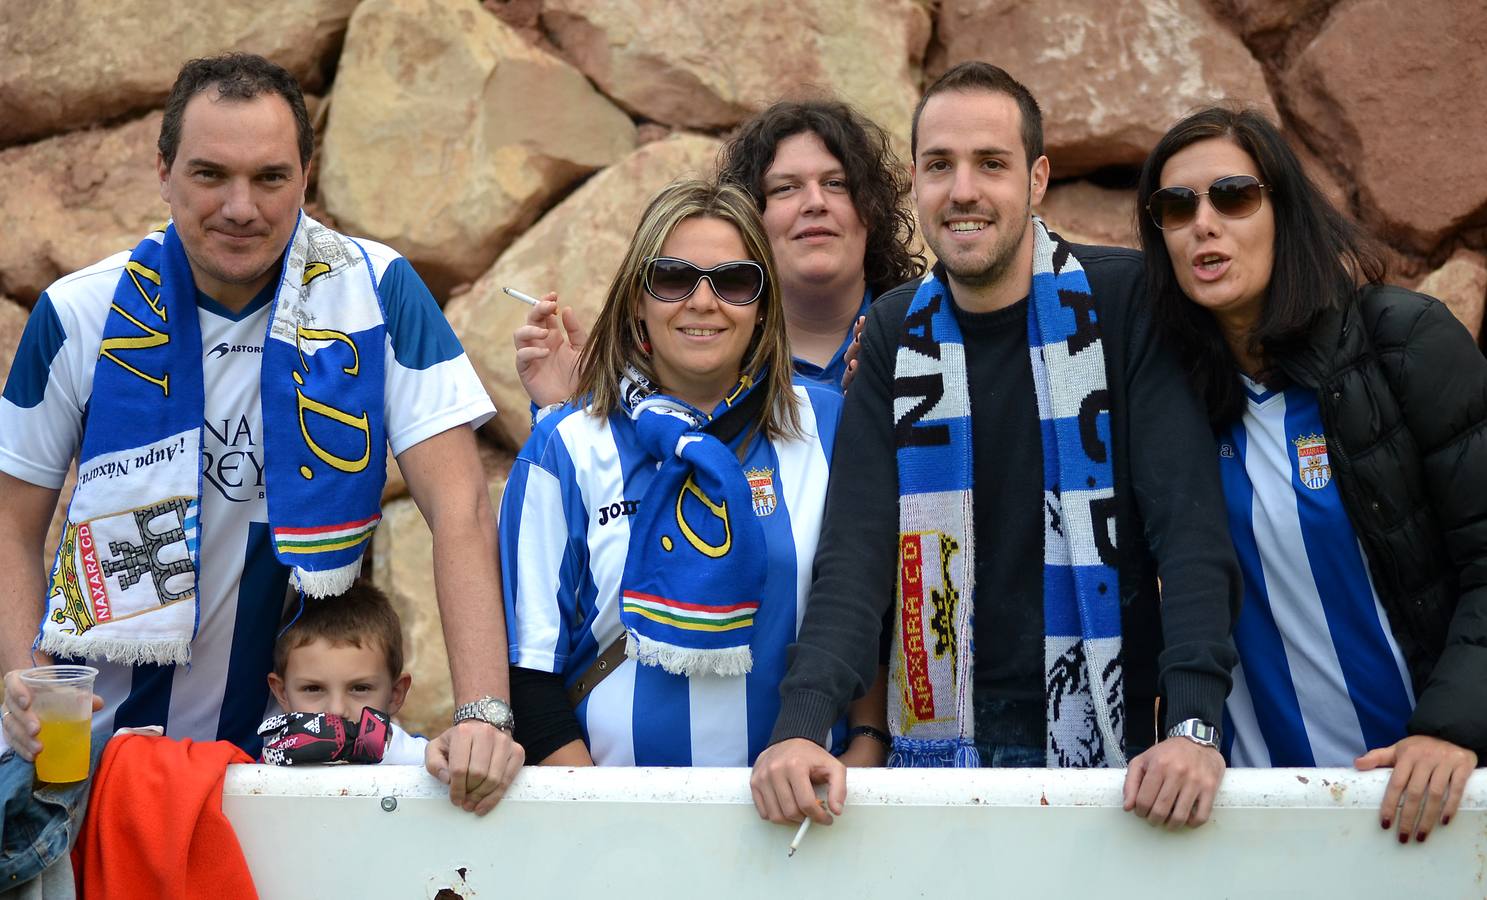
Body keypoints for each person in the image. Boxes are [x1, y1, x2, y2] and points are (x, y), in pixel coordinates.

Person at [0, 53, 521, 815]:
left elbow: (461, 507)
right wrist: (22, 678)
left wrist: (483, 712)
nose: (241, 207)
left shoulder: (378, 293)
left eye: (270, 178)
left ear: (306, 176)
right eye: (210, 175)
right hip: (92, 760)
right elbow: (10, 527)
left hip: (298, 761)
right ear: (163, 171)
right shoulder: (80, 312)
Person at [750, 62, 1241, 829]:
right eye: (940, 166)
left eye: (991, 164)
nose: (964, 190)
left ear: (1037, 178)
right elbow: (856, 554)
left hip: (1120, 757)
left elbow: (1189, 533)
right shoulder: (889, 330)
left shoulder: (1124, 299)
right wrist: (801, 725)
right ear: (914, 182)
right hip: (940, 759)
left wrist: (1193, 725)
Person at [1135, 105, 1486, 844]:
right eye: (1175, 206)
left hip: (1421, 797)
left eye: (1232, 196)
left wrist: (1452, 728)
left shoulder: (1403, 343)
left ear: (1283, 210)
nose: (1203, 223)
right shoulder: (1172, 397)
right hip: (1251, 818)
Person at [501, 179, 886, 767]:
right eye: (675, 278)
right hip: (619, 826)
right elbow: (530, 672)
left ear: (763, 307)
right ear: (637, 299)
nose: (703, 302)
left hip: (801, 824)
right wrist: (607, 828)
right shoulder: (565, 447)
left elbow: (869, 622)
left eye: (733, 281)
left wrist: (862, 757)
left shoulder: (829, 427)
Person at [513, 98, 923, 400]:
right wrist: (574, 404)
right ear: (746, 219)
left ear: (872, 207)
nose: (815, 202)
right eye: (786, 188)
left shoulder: (927, 334)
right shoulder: (689, 363)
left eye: (836, 183)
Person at [261, 580, 426, 765]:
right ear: (282, 694)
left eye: (360, 688)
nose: (336, 711)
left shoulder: (425, 764)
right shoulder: (258, 776)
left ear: (395, 694)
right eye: (313, 689)